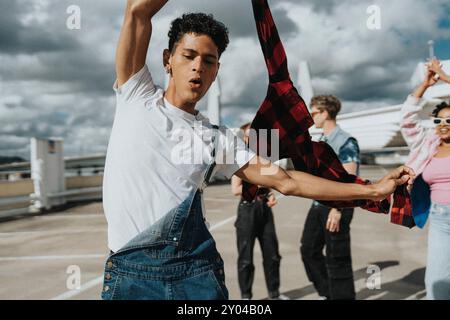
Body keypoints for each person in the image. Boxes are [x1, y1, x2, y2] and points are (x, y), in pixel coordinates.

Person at [101, 0, 415, 300]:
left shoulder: (218, 139)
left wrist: (373, 191)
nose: (198, 67)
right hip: (132, 277)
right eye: (188, 56)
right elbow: (138, 11)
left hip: (196, 274)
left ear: (216, 70)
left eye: (208, 61)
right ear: (167, 59)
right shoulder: (136, 96)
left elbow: (286, 181)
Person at [300, 95, 360, 300]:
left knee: (338, 259)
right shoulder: (322, 141)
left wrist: (338, 209)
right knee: (308, 250)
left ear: (325, 113)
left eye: (313, 112)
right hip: (317, 204)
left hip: (337, 207)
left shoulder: (345, 141)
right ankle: (329, 294)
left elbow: (349, 180)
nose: (310, 116)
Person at [400, 58, 450, 300]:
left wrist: (445, 76)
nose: (443, 125)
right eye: (439, 120)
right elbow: (407, 119)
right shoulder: (427, 143)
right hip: (441, 218)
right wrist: (426, 84)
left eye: (449, 120)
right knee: (436, 282)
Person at [231, 123, 288, 300]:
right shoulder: (240, 159)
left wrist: (270, 194)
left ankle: (274, 294)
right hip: (247, 210)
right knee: (246, 259)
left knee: (272, 255)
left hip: (264, 209)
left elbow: (269, 185)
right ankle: (246, 297)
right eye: (249, 135)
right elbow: (236, 190)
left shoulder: (264, 160)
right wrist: (260, 185)